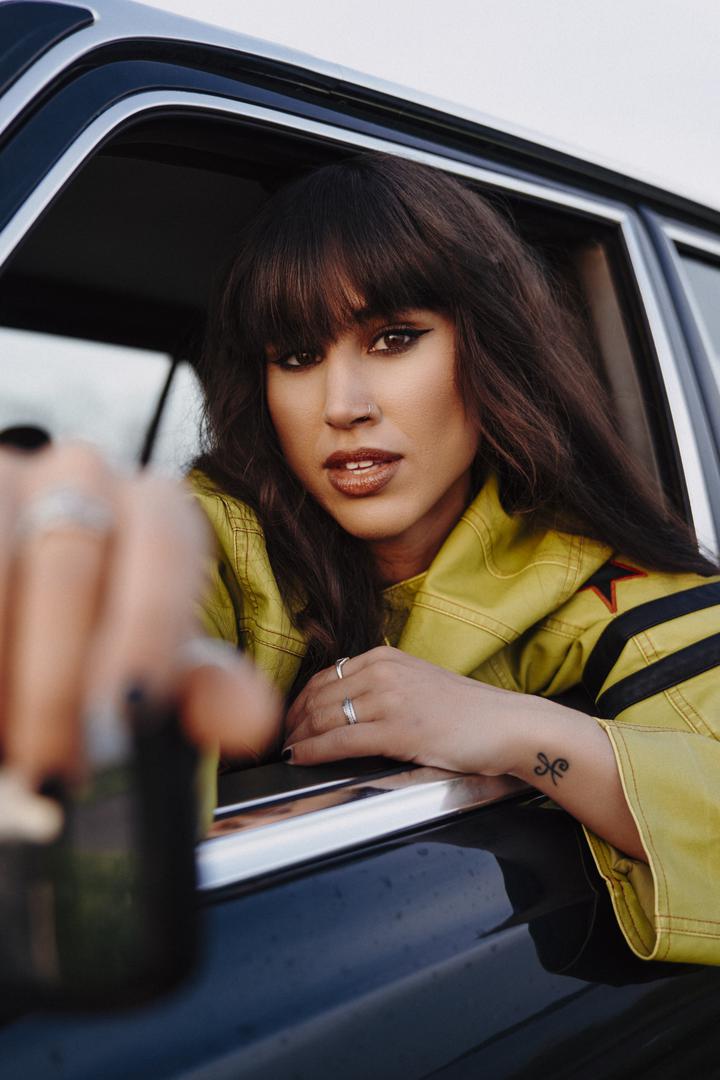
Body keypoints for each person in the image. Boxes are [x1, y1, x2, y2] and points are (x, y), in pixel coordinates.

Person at [2, 154, 719, 969]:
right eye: (296, 357)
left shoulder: (618, 588)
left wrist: (515, 730)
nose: (342, 406)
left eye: (393, 339)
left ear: (490, 348)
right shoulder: (216, 543)